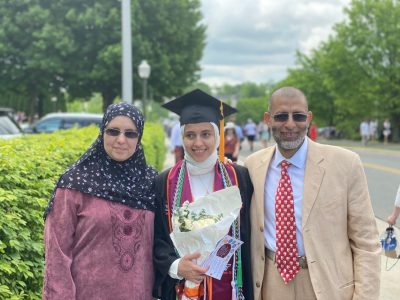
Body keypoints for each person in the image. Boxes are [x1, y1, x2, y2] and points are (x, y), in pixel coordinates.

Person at [244, 87, 381, 300]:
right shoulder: (252, 166)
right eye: (281, 116)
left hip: (328, 286)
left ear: (308, 118)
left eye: (298, 116)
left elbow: (366, 243)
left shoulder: (345, 164)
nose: (290, 124)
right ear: (267, 119)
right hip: (271, 283)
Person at [42, 102, 157, 299]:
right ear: (102, 133)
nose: (121, 140)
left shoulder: (150, 182)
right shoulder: (75, 183)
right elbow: (57, 254)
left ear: (139, 138)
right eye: (113, 131)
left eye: (130, 134)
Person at [153, 89, 254, 300]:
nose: (198, 143)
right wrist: (175, 265)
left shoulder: (239, 177)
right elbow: (157, 238)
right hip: (183, 290)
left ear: (217, 136)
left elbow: (250, 235)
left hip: (231, 289)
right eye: (190, 135)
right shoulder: (165, 182)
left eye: (206, 134)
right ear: (182, 137)